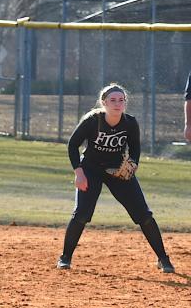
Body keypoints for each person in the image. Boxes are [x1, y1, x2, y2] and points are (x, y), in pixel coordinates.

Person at [59, 83, 174, 273]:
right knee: (81, 214)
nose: (117, 104)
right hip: (91, 169)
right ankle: (65, 257)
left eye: (121, 100)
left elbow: (135, 148)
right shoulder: (92, 121)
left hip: (117, 171)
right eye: (112, 100)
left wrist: (133, 165)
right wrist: (78, 172)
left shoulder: (129, 123)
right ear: (104, 103)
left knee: (143, 215)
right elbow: (73, 145)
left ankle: (163, 259)